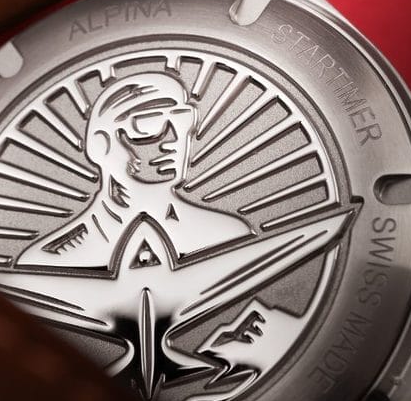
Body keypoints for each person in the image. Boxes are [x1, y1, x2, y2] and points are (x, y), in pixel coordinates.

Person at [15, 71, 252, 270]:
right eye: (150, 123)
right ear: (101, 144)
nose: (175, 138)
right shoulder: (49, 261)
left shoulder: (230, 234)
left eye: (182, 118)